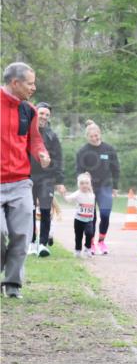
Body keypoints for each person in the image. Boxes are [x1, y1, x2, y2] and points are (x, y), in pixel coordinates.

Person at [1, 62, 51, 298]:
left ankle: (12, 285)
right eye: (30, 83)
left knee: (22, 235)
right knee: (0, 234)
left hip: (21, 181)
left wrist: (41, 152)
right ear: (15, 83)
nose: (34, 87)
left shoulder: (28, 110)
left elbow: (34, 139)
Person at [74, 122, 119, 255]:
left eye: (96, 135)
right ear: (87, 137)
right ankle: (91, 242)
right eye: (92, 136)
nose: (95, 138)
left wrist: (115, 187)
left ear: (100, 134)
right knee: (90, 217)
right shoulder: (83, 151)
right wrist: (83, 180)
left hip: (105, 186)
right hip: (90, 189)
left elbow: (115, 169)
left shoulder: (108, 149)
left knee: (105, 214)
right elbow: (79, 171)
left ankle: (101, 241)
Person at [29, 102, 63, 258]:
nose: (44, 117)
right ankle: (30, 243)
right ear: (35, 113)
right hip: (27, 176)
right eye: (41, 113)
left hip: (46, 178)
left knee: (44, 210)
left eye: (47, 115)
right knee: (28, 210)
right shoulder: (26, 131)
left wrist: (59, 180)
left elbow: (58, 159)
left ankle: (42, 244)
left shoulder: (52, 136)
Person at [63, 173, 97, 257]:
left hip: (89, 220)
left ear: (89, 184)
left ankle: (87, 249)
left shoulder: (92, 194)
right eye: (82, 183)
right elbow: (68, 199)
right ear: (79, 185)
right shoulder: (77, 193)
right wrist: (64, 194)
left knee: (89, 233)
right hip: (78, 220)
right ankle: (77, 250)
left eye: (86, 183)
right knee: (79, 236)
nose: (84, 185)